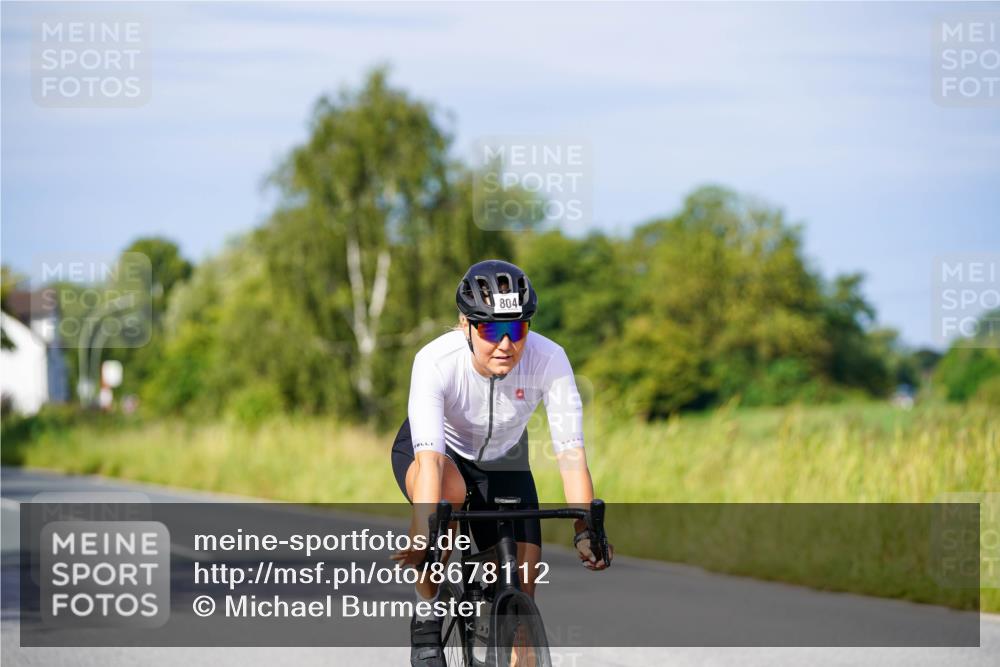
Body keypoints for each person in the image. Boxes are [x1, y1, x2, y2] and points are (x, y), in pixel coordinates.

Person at [390, 259, 612, 667]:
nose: (506, 344)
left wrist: (586, 528)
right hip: (440, 453)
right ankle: (426, 614)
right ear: (465, 325)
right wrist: (423, 527)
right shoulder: (435, 361)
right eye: (492, 329)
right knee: (445, 503)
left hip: (504, 459)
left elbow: (571, 453)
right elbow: (430, 460)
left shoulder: (550, 358)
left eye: (518, 328)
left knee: (522, 595)